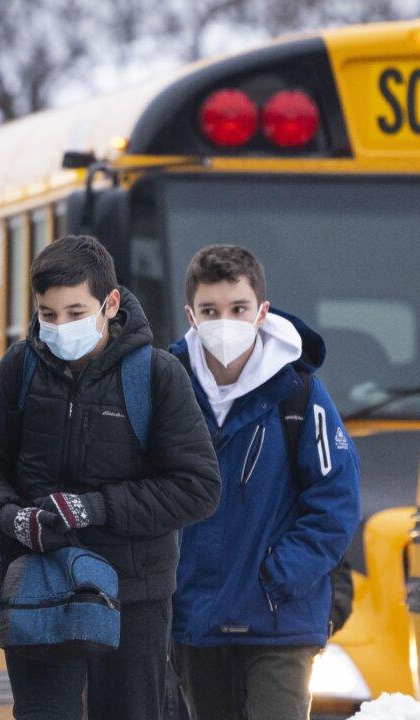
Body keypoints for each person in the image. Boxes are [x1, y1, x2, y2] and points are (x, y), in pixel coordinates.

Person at [0, 235, 221, 720]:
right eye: (48, 314)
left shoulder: (156, 375)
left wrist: (94, 508)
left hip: (132, 597)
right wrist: (13, 518)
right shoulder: (19, 369)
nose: (60, 326)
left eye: (75, 313)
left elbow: (198, 487)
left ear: (111, 303)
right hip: (38, 591)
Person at [168, 245, 361, 720]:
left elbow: (335, 501)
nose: (225, 322)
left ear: (262, 311)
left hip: (280, 621)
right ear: (191, 316)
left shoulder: (300, 392)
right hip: (197, 618)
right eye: (211, 311)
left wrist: (277, 577)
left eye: (238, 308)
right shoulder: (167, 388)